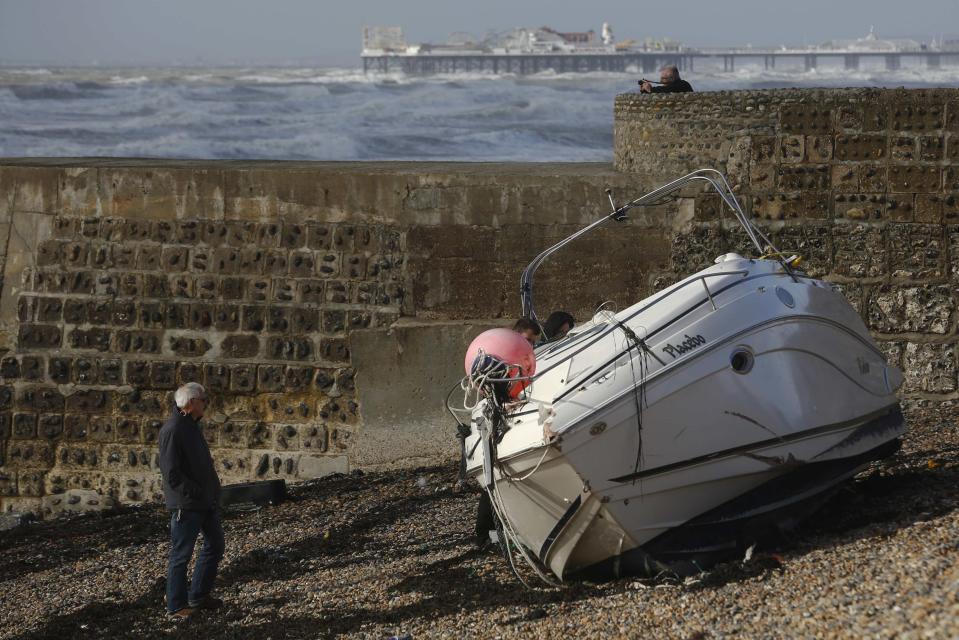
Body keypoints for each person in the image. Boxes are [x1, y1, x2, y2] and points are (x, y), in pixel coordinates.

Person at [159, 382, 224, 618]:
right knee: (181, 555)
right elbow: (171, 473)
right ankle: (176, 606)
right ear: (191, 402)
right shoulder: (173, 429)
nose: (205, 403)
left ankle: (198, 595)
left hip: (205, 501)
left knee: (215, 546)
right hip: (187, 504)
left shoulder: (190, 426)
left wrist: (212, 491)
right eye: (203, 400)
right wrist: (197, 492)